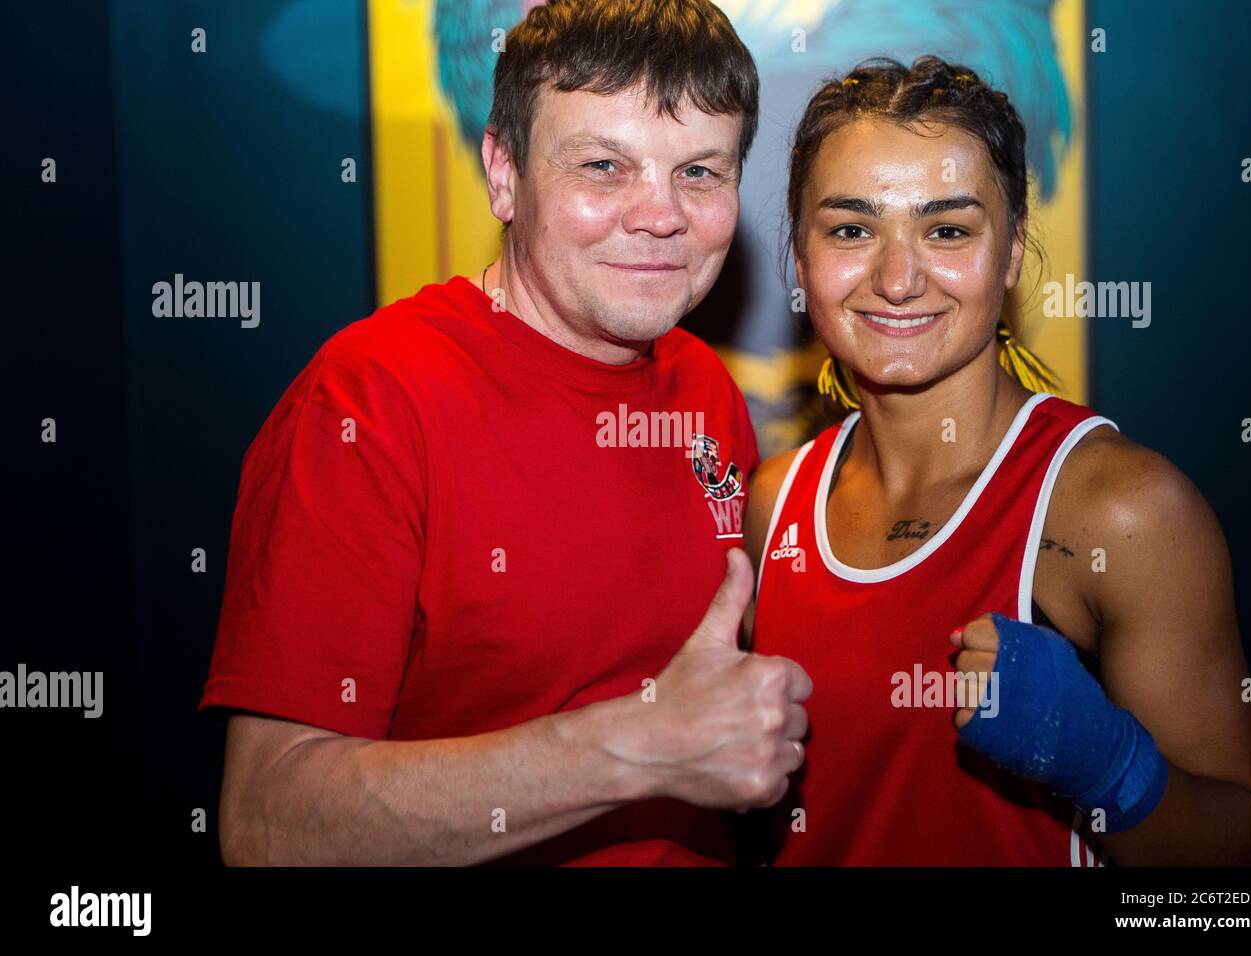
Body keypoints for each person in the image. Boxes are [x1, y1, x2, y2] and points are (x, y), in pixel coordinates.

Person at [199, 0, 811, 867]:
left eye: (701, 172)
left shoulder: (699, 381)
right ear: (504, 170)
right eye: (604, 166)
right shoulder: (367, 405)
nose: (661, 215)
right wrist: (634, 746)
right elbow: (267, 823)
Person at [744, 56, 1251, 865]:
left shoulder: (1119, 508)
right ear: (799, 250)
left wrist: (1110, 766)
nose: (897, 278)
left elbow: (1244, 859)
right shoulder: (775, 501)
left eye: (948, 229)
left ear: (1010, 252)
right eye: (851, 228)